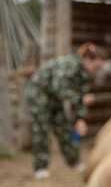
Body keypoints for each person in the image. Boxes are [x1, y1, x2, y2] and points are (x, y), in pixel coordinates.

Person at [24, 42, 106, 179]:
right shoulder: (70, 64)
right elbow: (59, 87)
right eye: (96, 66)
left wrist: (80, 119)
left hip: (54, 97)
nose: (96, 70)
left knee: (64, 128)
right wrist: (80, 99)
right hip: (38, 93)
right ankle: (41, 168)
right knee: (42, 129)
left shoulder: (85, 74)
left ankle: (74, 162)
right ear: (88, 59)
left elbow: (79, 96)